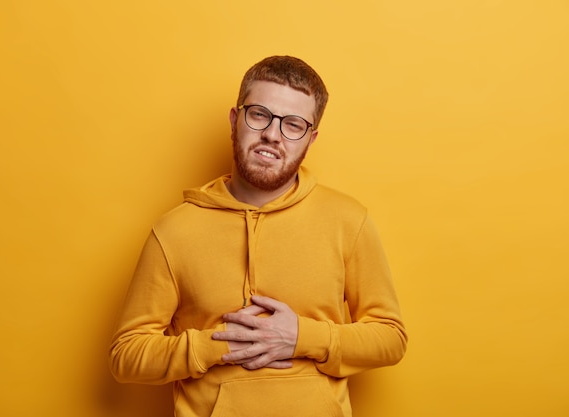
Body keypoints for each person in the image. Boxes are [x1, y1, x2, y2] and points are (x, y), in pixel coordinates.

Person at [109, 55, 407, 417]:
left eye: (293, 124)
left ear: (310, 139)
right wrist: (215, 345)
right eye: (259, 115)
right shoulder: (174, 231)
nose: (272, 134)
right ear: (235, 120)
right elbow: (126, 355)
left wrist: (303, 337)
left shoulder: (348, 220)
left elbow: (391, 338)